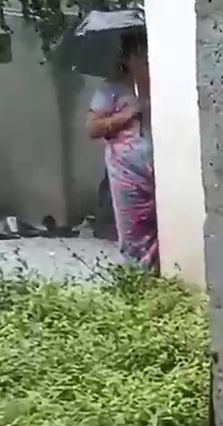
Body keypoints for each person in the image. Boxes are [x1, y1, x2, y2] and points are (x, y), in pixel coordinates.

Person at [86, 29, 157, 272]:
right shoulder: (111, 90)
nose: (144, 59)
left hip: (158, 169)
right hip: (127, 171)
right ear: (127, 57)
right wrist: (127, 114)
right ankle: (137, 275)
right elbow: (93, 128)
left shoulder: (163, 86)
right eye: (139, 54)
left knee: (162, 226)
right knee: (133, 226)